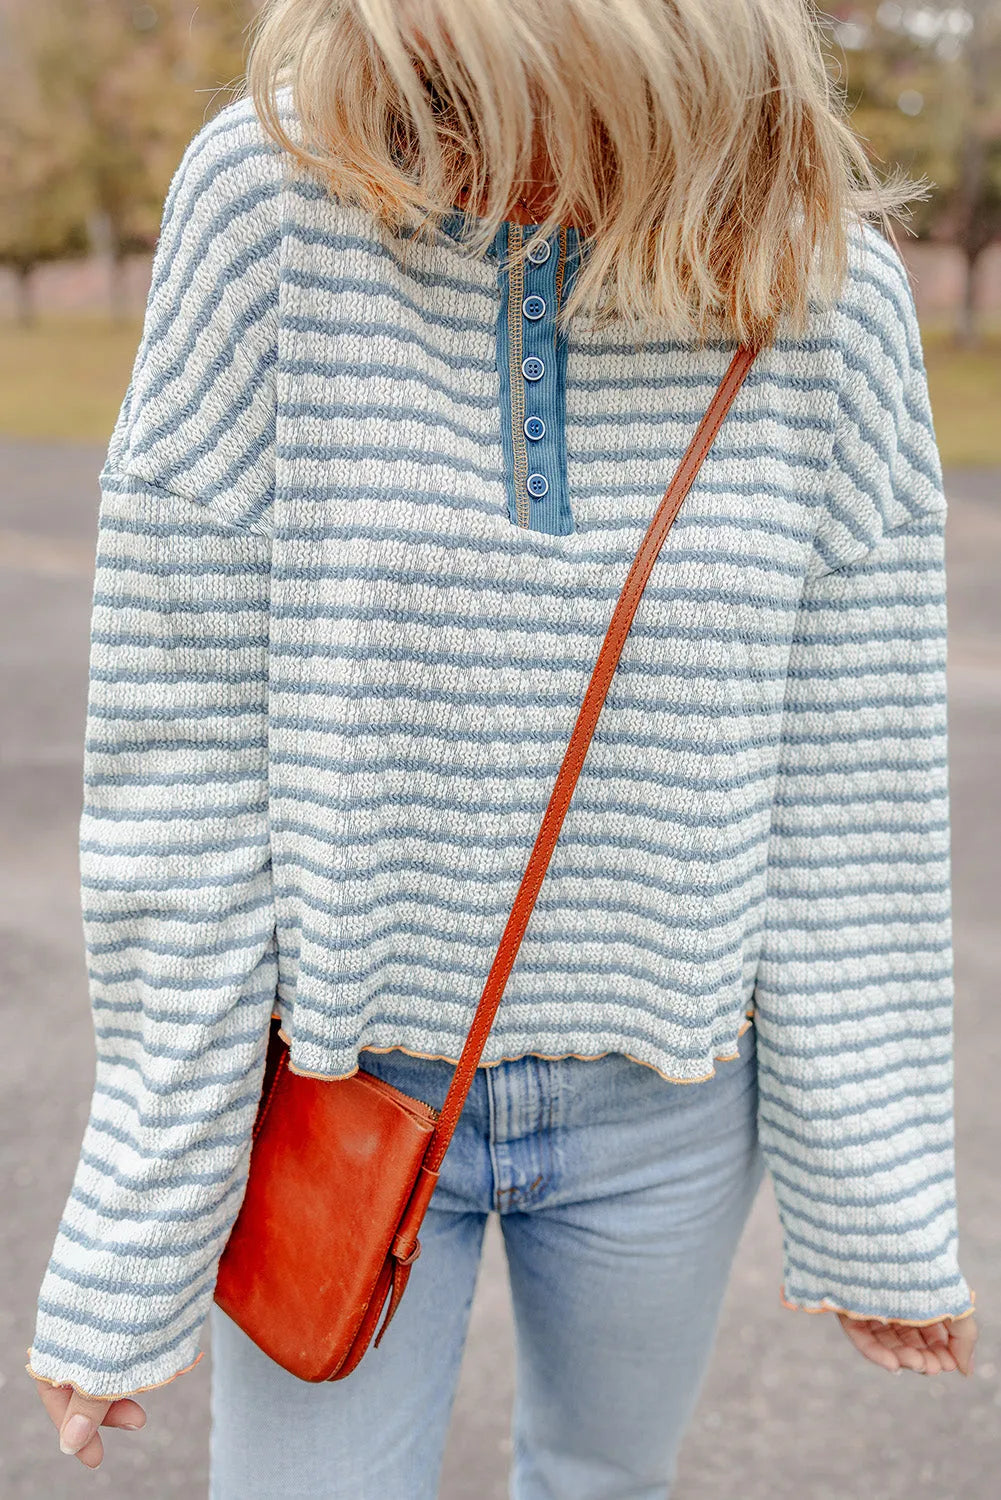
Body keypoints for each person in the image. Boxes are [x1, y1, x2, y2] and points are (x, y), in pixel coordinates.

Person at [27, 0, 978, 1493]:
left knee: (601, 1482)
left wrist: (879, 1202)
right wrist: (133, 1238)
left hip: (668, 1103)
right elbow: (182, 760)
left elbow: (849, 791)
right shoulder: (271, 206)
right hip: (338, 1084)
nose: (450, 142)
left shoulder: (820, 284)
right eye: (432, 84)